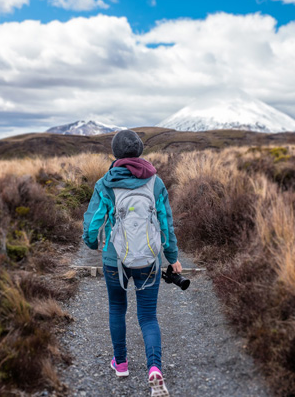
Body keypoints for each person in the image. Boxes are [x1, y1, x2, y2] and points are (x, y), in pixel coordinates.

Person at [82, 130, 181, 397]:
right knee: (148, 317)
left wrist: (93, 245)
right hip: (149, 259)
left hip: (116, 259)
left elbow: (93, 225)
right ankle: (154, 369)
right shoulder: (156, 182)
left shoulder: (105, 183)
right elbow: (165, 224)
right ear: (138, 150)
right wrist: (172, 258)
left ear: (116, 153)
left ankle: (121, 364)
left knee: (117, 308)